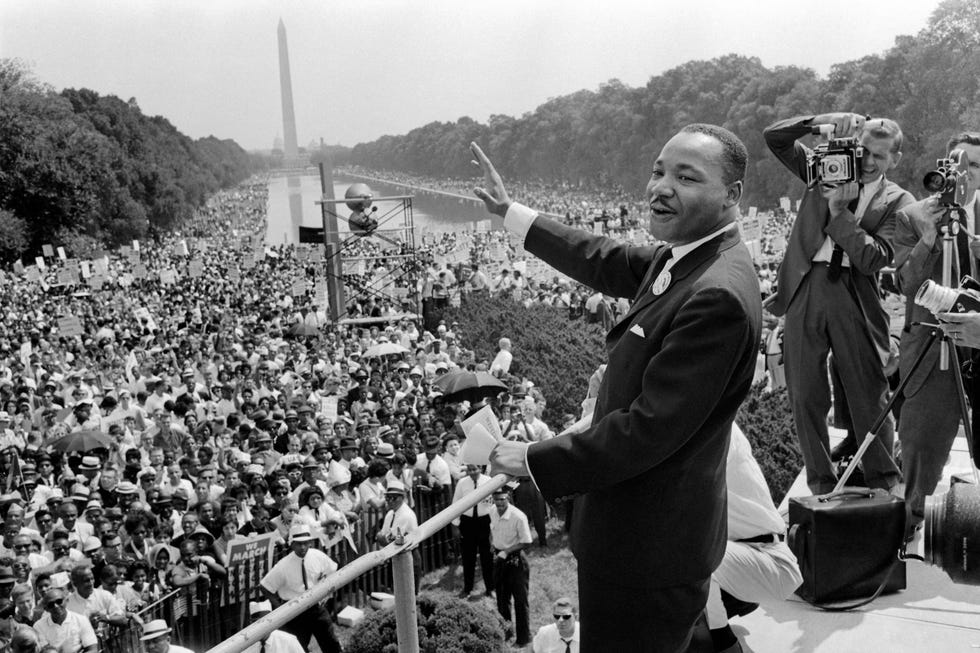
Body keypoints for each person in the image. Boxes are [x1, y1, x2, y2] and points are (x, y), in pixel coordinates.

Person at [472, 122, 761, 653]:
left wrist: (533, 457)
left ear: (732, 195)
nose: (661, 186)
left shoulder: (716, 293)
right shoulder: (687, 257)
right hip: (640, 538)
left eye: (686, 176)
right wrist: (511, 213)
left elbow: (648, 431)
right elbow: (600, 257)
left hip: (648, 552)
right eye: (657, 170)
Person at [763, 112, 911, 495]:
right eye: (863, 150)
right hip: (805, 286)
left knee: (868, 392)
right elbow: (775, 138)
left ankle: (884, 480)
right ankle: (820, 483)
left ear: (894, 160)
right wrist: (820, 121)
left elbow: (875, 258)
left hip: (855, 292)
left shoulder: (900, 201)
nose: (867, 161)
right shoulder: (824, 168)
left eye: (879, 156)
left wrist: (839, 214)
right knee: (804, 392)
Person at [893, 132, 980, 534]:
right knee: (922, 445)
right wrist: (929, 238)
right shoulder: (913, 215)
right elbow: (908, 284)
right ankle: (910, 529)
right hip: (931, 350)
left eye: (976, 166)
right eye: (961, 165)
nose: (967, 174)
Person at [705, 424, 802, 653]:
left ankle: (723, 642)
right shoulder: (707, 418)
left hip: (768, 559)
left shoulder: (712, 433)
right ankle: (730, 600)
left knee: (690, 549)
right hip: (744, 551)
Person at [259, 524, 341, 653]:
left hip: (316, 607)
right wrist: (280, 608)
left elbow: (332, 571)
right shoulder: (283, 566)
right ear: (292, 544)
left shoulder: (318, 556)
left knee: (331, 643)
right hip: (295, 612)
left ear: (310, 542)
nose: (302, 547)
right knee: (297, 647)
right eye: (298, 544)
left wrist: (327, 593)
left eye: (305, 543)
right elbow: (265, 587)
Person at [488, 486, 532, 647]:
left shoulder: (518, 516)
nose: (499, 503)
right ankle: (506, 633)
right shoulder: (492, 511)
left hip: (516, 560)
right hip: (499, 560)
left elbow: (527, 541)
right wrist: (493, 543)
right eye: (496, 499)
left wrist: (507, 551)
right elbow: (492, 528)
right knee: (501, 599)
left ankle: (523, 638)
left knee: (520, 600)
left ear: (509, 498)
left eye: (502, 499)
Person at [450, 463, 494, 598]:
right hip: (468, 523)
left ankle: (490, 588)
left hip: (485, 522)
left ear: (480, 468)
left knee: (487, 557)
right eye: (470, 470)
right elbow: (456, 504)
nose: (473, 472)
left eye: (475, 469)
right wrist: (455, 525)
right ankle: (467, 588)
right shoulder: (462, 483)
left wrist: (494, 527)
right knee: (468, 557)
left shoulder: (489, 482)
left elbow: (493, 505)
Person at [32, 587, 97, 653]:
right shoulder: (39, 626)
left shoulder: (81, 620)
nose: (56, 606)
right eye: (51, 604)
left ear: (67, 600)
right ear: (46, 609)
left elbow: (92, 649)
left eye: (59, 601)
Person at [239, 600, 305, 653]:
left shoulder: (288, 640)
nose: (262, 627)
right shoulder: (245, 645)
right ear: (251, 623)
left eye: (266, 622)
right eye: (257, 623)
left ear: (272, 622)